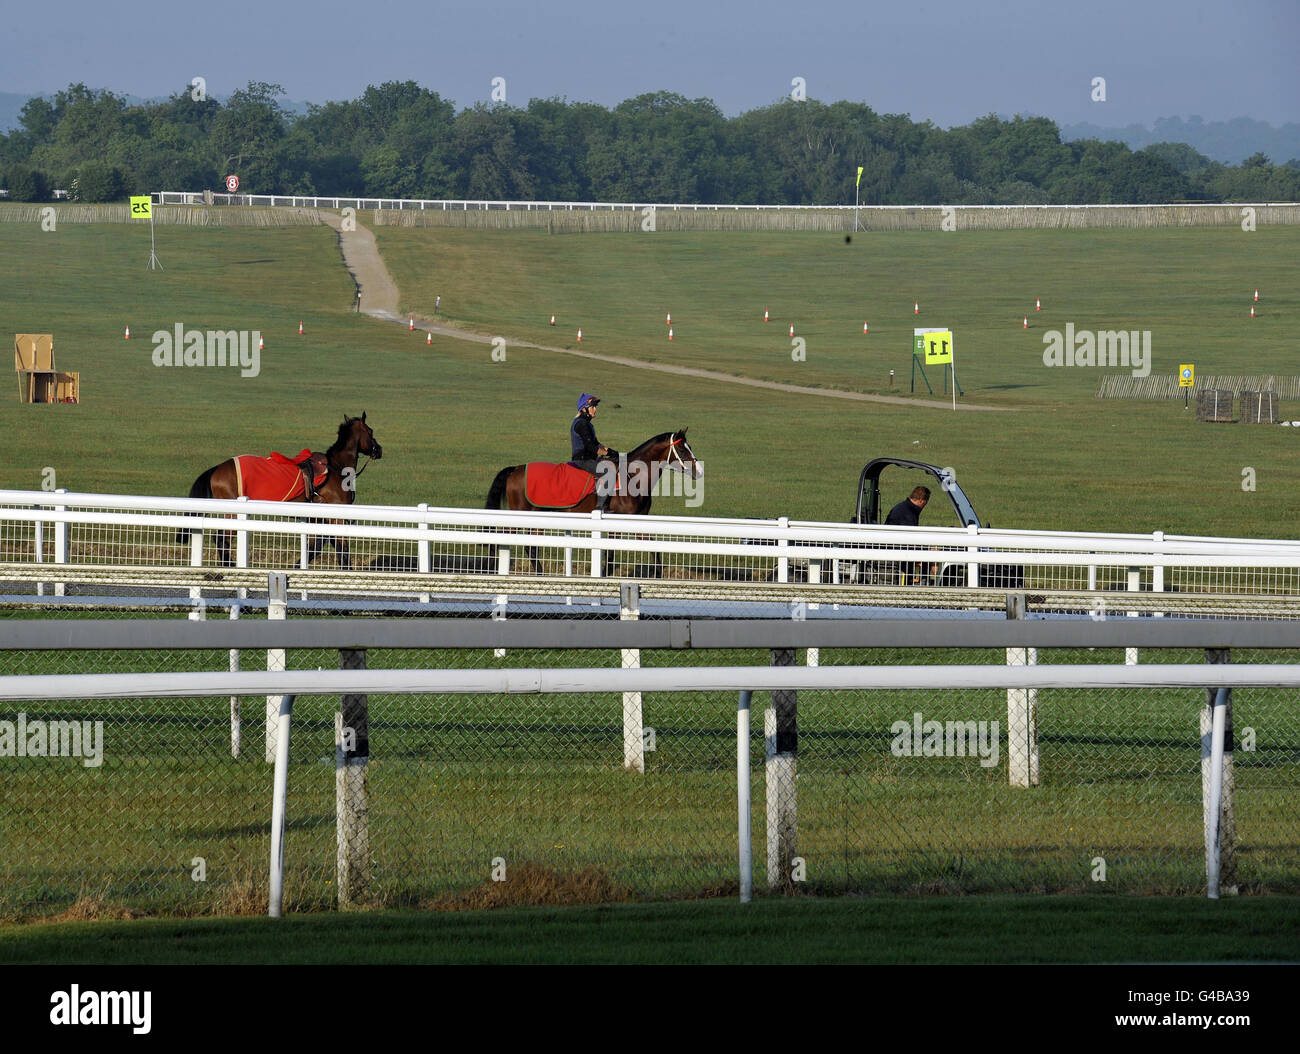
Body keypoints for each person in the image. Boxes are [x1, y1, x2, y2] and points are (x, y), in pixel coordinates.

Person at [569, 393, 619, 509]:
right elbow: (591, 446)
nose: (595, 409)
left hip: (588, 458)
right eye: (593, 407)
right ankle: (601, 507)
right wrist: (609, 453)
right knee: (609, 474)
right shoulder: (581, 424)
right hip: (582, 460)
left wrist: (613, 452)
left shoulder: (587, 423)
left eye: (595, 407)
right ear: (585, 409)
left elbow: (597, 444)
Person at [885, 485, 932, 584]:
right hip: (897, 549)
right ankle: (923, 584)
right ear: (922, 500)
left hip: (897, 546)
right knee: (930, 556)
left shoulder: (904, 507)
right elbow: (908, 539)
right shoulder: (907, 513)